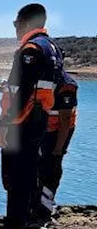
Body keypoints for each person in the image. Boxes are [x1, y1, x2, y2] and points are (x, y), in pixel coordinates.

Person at [0, 3, 65, 229]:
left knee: (16, 179)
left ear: (24, 22)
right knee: (25, 177)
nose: (15, 29)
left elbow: (24, 92)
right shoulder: (54, 49)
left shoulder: (30, 49)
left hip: (22, 123)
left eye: (16, 23)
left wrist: (4, 124)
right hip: (38, 122)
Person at [37, 70, 78, 220]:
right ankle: (35, 204)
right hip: (41, 129)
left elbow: (65, 119)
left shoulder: (66, 84)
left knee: (51, 165)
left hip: (56, 131)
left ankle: (45, 208)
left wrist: (59, 147)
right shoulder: (41, 77)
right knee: (38, 166)